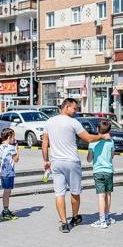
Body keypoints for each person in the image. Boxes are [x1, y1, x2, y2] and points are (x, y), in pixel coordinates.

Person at [42, 98, 111, 234]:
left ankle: (64, 223)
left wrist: (45, 160)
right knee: (75, 192)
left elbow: (45, 142)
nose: (76, 111)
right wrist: (102, 137)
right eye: (74, 108)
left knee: (59, 194)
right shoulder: (73, 122)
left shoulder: (49, 122)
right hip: (72, 162)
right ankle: (74, 217)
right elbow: (88, 138)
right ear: (66, 107)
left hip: (56, 162)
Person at [86, 120, 116, 228]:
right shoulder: (111, 142)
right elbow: (112, 156)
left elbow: (89, 159)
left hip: (98, 171)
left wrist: (93, 154)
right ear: (109, 130)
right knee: (108, 194)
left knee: (100, 196)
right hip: (109, 171)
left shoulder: (93, 142)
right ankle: (107, 217)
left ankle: (102, 220)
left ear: (98, 129)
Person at [0, 128, 20, 221]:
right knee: (7, 192)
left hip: (2, 172)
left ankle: (6, 209)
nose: (14, 139)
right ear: (9, 137)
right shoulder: (11, 148)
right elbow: (16, 159)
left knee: (7, 191)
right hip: (9, 173)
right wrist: (17, 149)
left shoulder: (0, 147)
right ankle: (5, 211)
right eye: (13, 137)